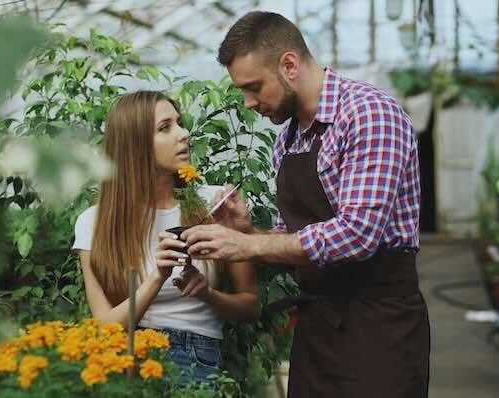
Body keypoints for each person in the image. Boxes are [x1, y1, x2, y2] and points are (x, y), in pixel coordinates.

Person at [182, 11, 430, 397]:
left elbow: (357, 235)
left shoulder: (368, 114)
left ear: (289, 65)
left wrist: (248, 246)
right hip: (318, 326)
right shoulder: (290, 138)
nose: (248, 102)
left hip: (379, 323)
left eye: (253, 87)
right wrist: (248, 232)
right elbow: (292, 238)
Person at [72, 90, 260, 387]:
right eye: (165, 127)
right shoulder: (94, 222)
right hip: (127, 360)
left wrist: (207, 295)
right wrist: (156, 277)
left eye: (179, 123)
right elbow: (104, 326)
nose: (183, 133)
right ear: (135, 145)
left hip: (199, 359)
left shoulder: (212, 205)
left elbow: (250, 306)